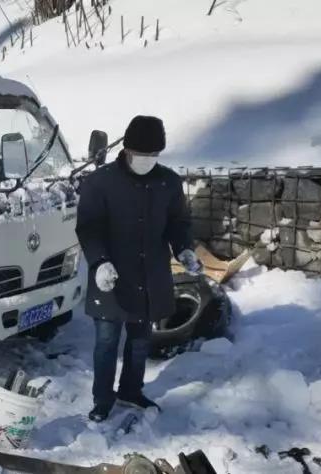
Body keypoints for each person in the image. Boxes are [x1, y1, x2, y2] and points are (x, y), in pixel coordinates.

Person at [75, 116, 202, 422]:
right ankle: (102, 399)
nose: (147, 159)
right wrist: (99, 262)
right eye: (141, 154)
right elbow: (88, 227)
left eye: (153, 155)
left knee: (140, 340)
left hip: (150, 275)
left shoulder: (168, 182)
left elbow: (178, 223)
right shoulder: (100, 182)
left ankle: (131, 390)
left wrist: (184, 248)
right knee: (107, 342)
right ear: (127, 150)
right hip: (111, 276)